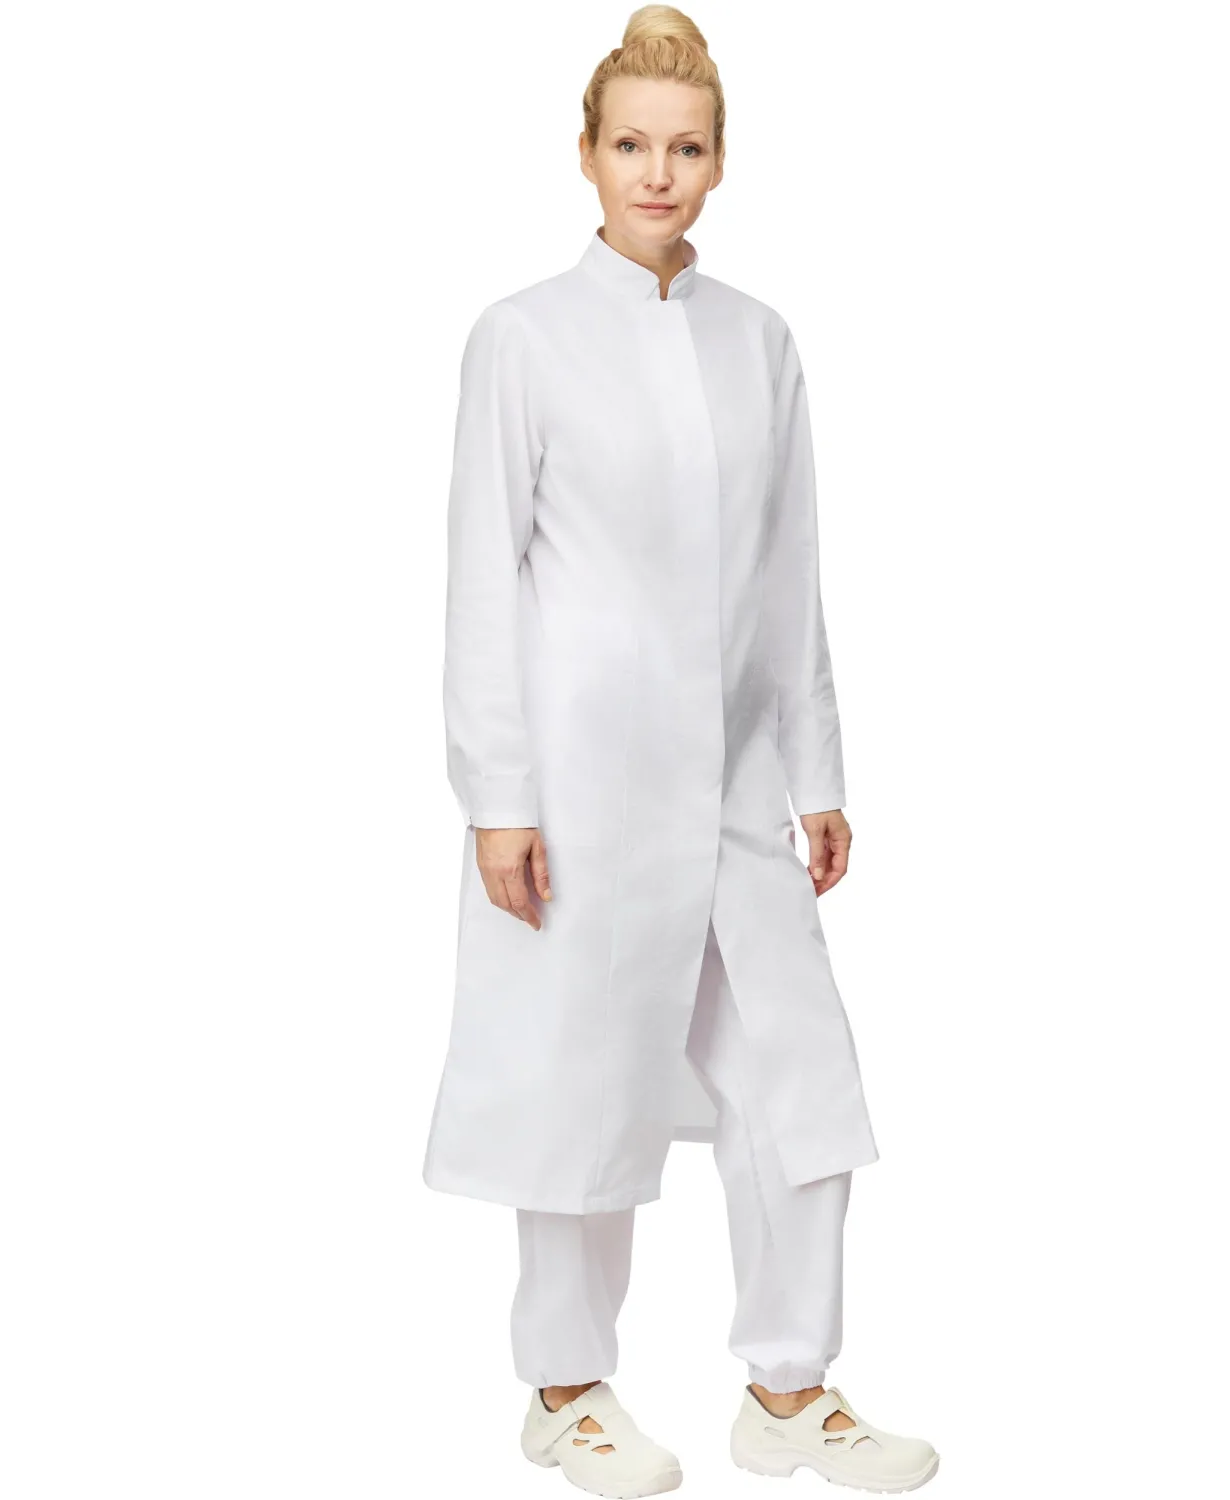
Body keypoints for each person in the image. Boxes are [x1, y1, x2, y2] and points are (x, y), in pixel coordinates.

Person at [422, 7, 939, 1494]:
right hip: (581, 786)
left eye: (687, 147)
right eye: (633, 144)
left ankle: (790, 1389)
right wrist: (498, 795)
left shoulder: (759, 342)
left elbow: (790, 576)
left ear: (720, 162)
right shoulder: (523, 337)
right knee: (579, 1078)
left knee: (801, 1082)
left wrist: (818, 771)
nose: (659, 172)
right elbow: (481, 576)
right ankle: (566, 1389)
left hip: (733, 782)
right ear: (586, 154)